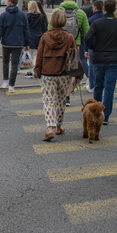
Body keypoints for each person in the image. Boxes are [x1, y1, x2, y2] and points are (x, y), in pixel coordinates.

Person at [84, 0, 117, 125]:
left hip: (98, 59)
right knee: (109, 88)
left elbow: (87, 37)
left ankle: (94, 113)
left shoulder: (97, 23)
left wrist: (94, 47)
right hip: (113, 59)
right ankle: (105, 116)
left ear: (104, 9)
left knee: (98, 87)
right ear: (116, 9)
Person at [34, 10, 78, 141]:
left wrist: (38, 71)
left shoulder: (45, 37)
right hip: (64, 73)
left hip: (47, 73)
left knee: (48, 100)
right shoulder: (69, 37)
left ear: (52, 21)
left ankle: (50, 128)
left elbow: (39, 56)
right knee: (61, 100)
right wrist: (77, 74)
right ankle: (58, 127)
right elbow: (75, 57)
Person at [49, 0, 90, 106]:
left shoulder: (55, 12)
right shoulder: (81, 13)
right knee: (72, 70)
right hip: (74, 45)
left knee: (58, 68)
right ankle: (67, 97)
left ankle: (57, 94)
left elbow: (49, 29)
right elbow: (87, 32)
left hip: (58, 45)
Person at [0, 0, 30, 93]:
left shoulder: (4, 15)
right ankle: (11, 86)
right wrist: (27, 43)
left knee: (5, 61)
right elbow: (26, 30)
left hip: (6, 43)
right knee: (14, 64)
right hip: (18, 43)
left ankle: (5, 82)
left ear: (10, 3)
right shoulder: (22, 15)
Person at [83, 0, 105, 93]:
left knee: (92, 65)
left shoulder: (91, 20)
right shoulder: (105, 18)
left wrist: (86, 48)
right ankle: (101, 85)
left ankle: (92, 85)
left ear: (95, 7)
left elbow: (87, 36)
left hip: (93, 46)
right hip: (104, 46)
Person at [24, 1, 48, 78]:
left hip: (30, 36)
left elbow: (26, 28)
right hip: (39, 37)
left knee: (29, 54)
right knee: (36, 54)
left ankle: (30, 69)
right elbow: (44, 28)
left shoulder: (27, 16)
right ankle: (35, 67)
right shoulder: (41, 16)